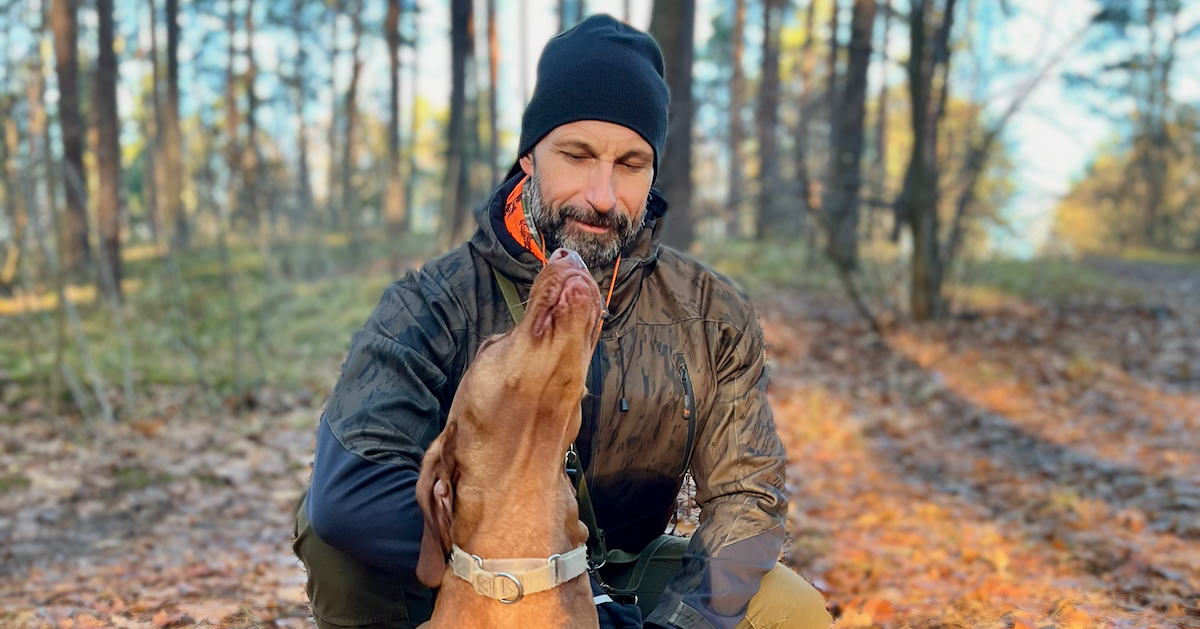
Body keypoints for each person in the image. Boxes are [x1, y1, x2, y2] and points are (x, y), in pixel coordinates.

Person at [293, 14, 832, 629]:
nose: (602, 194)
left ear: (654, 175)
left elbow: (750, 502)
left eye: (630, 163)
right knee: (329, 536)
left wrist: (663, 622)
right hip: (459, 571)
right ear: (529, 156)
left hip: (624, 572)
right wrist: (533, 573)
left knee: (791, 609)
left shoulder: (711, 313)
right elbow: (348, 496)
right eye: (576, 155)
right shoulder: (430, 305)